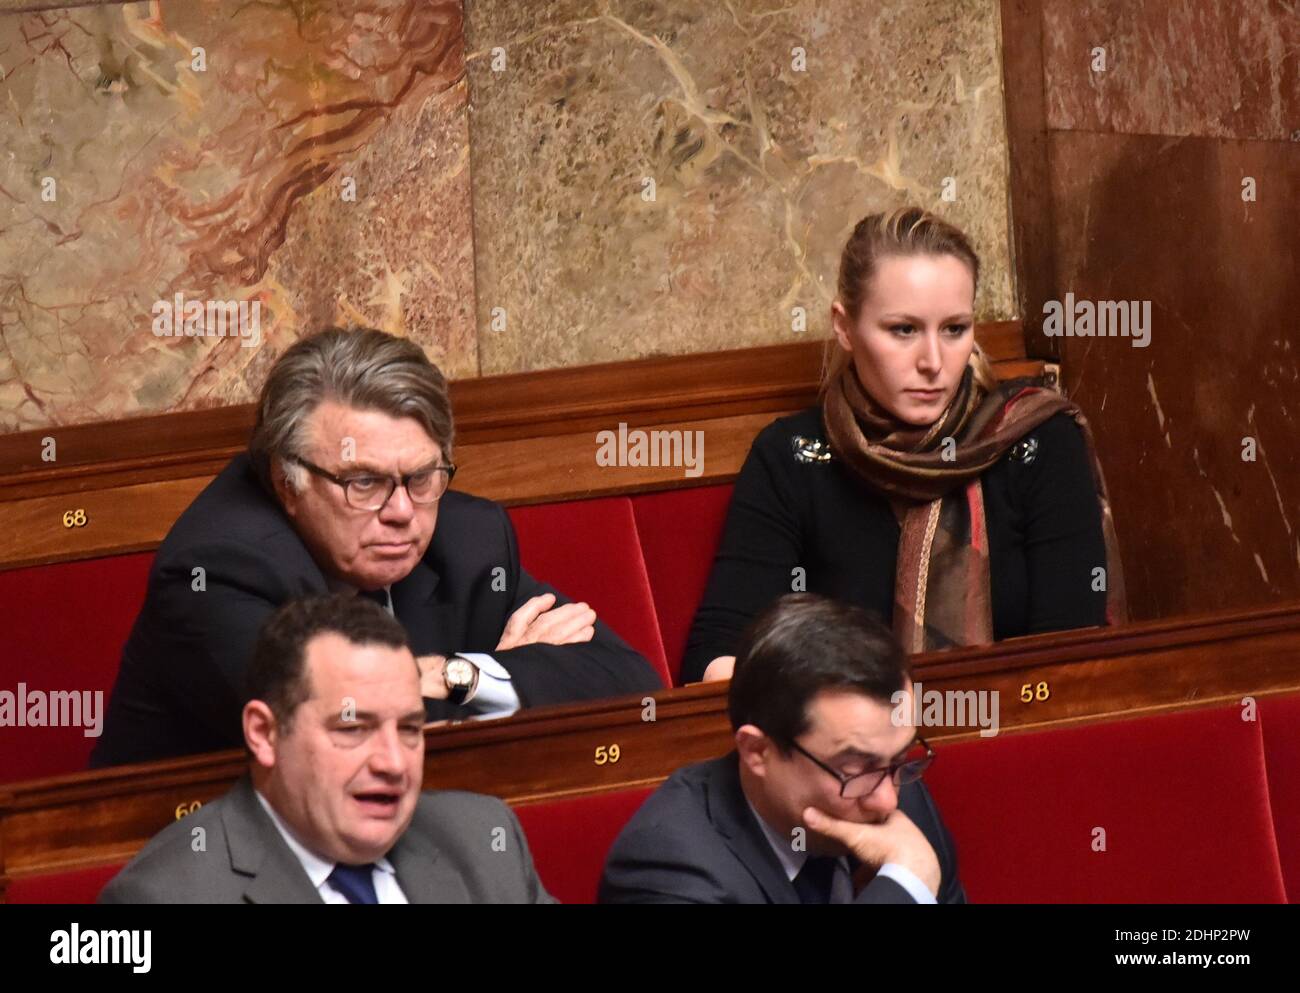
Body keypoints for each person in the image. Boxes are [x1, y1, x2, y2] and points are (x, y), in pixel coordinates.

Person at [92, 327, 661, 767]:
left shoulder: (469, 539)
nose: (401, 513)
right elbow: (334, 732)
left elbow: (627, 681)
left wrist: (458, 677)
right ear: (287, 480)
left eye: (422, 477)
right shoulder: (218, 568)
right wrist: (497, 677)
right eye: (363, 483)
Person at [683, 207, 1126, 683]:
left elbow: (1073, 655)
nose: (933, 362)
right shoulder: (793, 456)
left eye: (954, 329)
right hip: (844, 751)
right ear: (845, 326)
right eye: (903, 330)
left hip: (1018, 735)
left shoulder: (1035, 439)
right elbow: (719, 651)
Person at [100, 594, 554, 904]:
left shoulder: (482, 840)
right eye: (354, 729)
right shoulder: (168, 897)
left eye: (411, 729)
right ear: (264, 733)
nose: (394, 763)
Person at [600, 593, 965, 904]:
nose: (888, 801)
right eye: (855, 768)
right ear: (757, 751)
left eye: (901, 759)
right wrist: (903, 886)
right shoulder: (667, 870)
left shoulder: (895, 789)